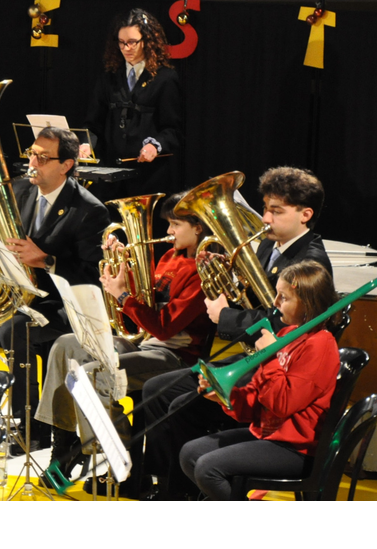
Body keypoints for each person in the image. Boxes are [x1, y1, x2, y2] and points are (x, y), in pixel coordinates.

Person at [140, 166, 334, 499]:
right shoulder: (268, 247)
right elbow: (253, 301)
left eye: (276, 211)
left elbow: (282, 326)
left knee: (182, 406)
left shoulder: (310, 263)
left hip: (275, 367)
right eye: (265, 208)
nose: (265, 219)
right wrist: (218, 279)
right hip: (253, 358)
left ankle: (185, 492)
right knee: (157, 390)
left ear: (305, 214)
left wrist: (226, 315)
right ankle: (161, 482)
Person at [0, 126, 111, 435]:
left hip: (60, 302)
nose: (32, 162)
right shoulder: (19, 190)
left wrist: (46, 260)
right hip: (14, 291)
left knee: (14, 330)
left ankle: (30, 425)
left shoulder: (89, 210)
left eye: (43, 158)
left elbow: (91, 276)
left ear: (66, 165)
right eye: (32, 154)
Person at [35, 192, 214, 468]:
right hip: (145, 344)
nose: (168, 231)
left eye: (176, 225)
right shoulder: (170, 256)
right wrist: (121, 265)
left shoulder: (202, 270)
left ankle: (119, 457)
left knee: (93, 373)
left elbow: (164, 327)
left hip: (177, 357)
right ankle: (64, 442)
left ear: (198, 227)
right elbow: (145, 301)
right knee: (65, 345)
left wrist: (122, 296)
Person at [180, 260, 341, 501]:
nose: (275, 303)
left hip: (296, 449)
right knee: (190, 454)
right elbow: (258, 398)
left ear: (307, 304)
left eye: (283, 297)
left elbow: (282, 404)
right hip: (270, 435)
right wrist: (225, 396)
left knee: (208, 469)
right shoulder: (287, 334)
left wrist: (269, 357)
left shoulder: (321, 345)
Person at [80, 8, 183, 204]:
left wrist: (155, 146)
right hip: (110, 177)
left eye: (133, 42)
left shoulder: (165, 79)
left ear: (147, 41)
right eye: (122, 42)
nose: (127, 48)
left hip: (147, 178)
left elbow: (173, 130)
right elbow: (93, 124)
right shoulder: (109, 78)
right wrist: (86, 143)